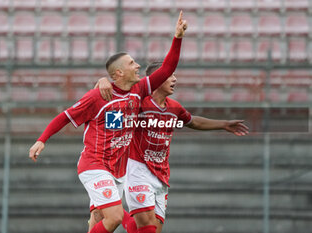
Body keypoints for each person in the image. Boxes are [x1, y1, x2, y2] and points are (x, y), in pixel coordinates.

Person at [28, 11, 188, 233]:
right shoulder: (97, 97)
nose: (138, 65)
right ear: (120, 72)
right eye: (132, 63)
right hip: (94, 164)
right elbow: (65, 116)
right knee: (113, 217)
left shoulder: (138, 90)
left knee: (99, 219)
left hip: (118, 169)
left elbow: (167, 68)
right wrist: (41, 140)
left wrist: (177, 37)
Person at [96, 62, 249, 233]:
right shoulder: (137, 102)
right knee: (147, 227)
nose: (175, 79)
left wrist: (224, 124)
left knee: (150, 228)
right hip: (136, 168)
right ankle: (111, 210)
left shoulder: (174, 108)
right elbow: (112, 115)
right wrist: (104, 82)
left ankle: (113, 211)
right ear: (157, 79)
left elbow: (194, 121)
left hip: (161, 174)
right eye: (170, 75)